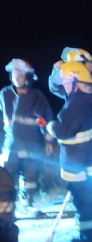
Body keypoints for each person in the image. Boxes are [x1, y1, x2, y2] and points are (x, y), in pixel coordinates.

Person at [44, 61, 92, 242]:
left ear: (75, 82)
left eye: (66, 81)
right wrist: (56, 71)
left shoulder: (75, 106)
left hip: (81, 169)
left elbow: (62, 131)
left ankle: (89, 239)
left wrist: (49, 125)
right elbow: (57, 89)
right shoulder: (90, 100)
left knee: (85, 205)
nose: (63, 85)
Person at [0, 59, 54, 214]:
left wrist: (48, 141)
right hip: (11, 145)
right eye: (14, 75)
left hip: (32, 144)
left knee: (31, 177)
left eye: (20, 75)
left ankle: (29, 202)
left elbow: (46, 120)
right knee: (9, 176)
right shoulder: (4, 94)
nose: (17, 78)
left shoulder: (37, 97)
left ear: (28, 77)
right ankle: (10, 206)